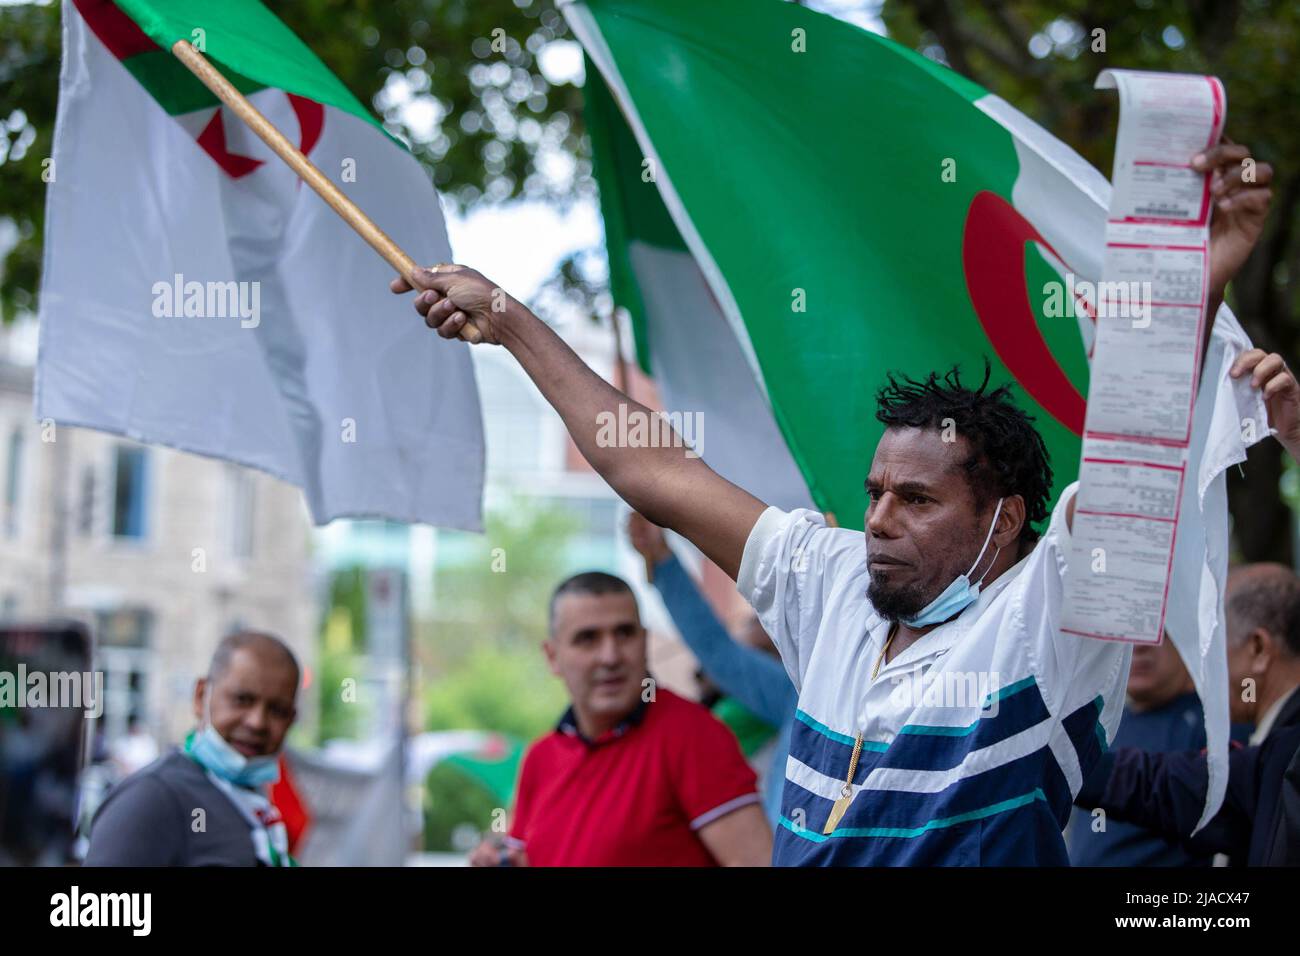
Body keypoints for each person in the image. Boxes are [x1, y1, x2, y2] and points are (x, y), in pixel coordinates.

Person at [400, 138, 1272, 865]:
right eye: (875, 492)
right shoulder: (832, 580)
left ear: (1002, 521)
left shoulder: (1051, 618)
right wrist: (510, 322)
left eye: (918, 500)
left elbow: (1135, 457)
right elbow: (652, 471)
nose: (881, 518)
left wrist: (1192, 287)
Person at [470, 572, 771, 866]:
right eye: (587, 639)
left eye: (624, 633)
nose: (610, 656)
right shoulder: (540, 757)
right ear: (552, 656)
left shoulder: (694, 735)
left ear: (644, 642)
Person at [1076, 561, 1300, 866]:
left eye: (1209, 645)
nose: (1201, 664)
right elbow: (1168, 786)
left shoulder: (1283, 749)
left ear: (1258, 650)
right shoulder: (1274, 753)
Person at [628, 511, 796, 826]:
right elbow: (717, 650)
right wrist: (663, 561)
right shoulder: (800, 694)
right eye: (756, 618)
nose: (764, 623)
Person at [84, 631, 299, 867]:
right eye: (242, 699)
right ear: (200, 696)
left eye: (278, 710)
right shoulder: (153, 799)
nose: (257, 722)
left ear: (291, 719)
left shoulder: (252, 801)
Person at [1065, 637, 1209, 865]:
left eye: (1158, 631)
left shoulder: (1211, 728)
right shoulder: (1104, 724)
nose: (1140, 646)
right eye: (1130, 633)